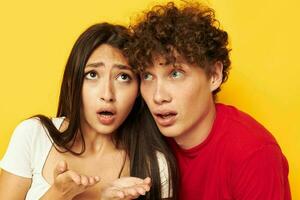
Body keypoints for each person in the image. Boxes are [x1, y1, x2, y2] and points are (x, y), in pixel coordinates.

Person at [127, 2, 291, 199]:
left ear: (214, 75)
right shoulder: (143, 138)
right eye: (147, 76)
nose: (158, 96)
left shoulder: (253, 152)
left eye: (176, 73)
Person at [0, 22, 178, 200]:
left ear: (138, 90)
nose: (107, 94)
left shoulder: (156, 165)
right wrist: (57, 195)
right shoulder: (34, 135)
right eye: (92, 75)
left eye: (123, 77)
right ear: (73, 81)